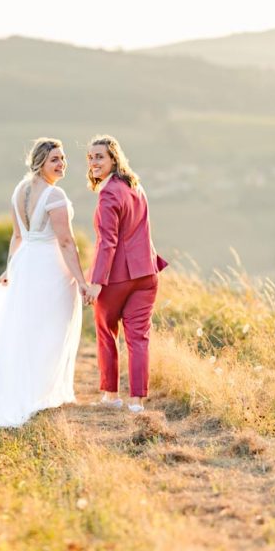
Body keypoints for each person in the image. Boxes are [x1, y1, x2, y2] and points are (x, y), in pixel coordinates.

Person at [0, 138, 89, 427]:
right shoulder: (54, 195)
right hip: (50, 269)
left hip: (25, 265)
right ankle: (38, 392)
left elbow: (18, 237)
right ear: (40, 163)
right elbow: (65, 241)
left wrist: (10, 267)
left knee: (22, 326)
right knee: (50, 328)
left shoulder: (18, 191)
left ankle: (28, 388)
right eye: (55, 160)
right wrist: (81, 280)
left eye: (63, 158)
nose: (62, 164)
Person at [86, 135, 168, 413]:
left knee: (106, 333)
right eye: (91, 157)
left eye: (100, 157)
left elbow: (107, 242)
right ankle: (137, 402)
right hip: (147, 273)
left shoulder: (109, 193)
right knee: (138, 338)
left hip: (117, 277)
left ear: (114, 159)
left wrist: (96, 282)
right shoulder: (136, 187)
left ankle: (111, 395)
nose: (94, 162)